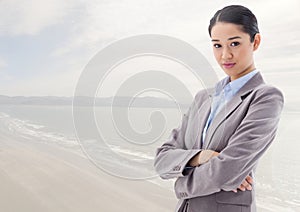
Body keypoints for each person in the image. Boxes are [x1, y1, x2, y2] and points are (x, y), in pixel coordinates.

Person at [154, 5, 284, 212]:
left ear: (255, 42)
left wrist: (180, 183)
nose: (225, 55)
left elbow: (227, 170)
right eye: (217, 45)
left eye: (234, 43)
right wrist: (199, 157)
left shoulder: (265, 97)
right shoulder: (203, 98)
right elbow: (162, 159)